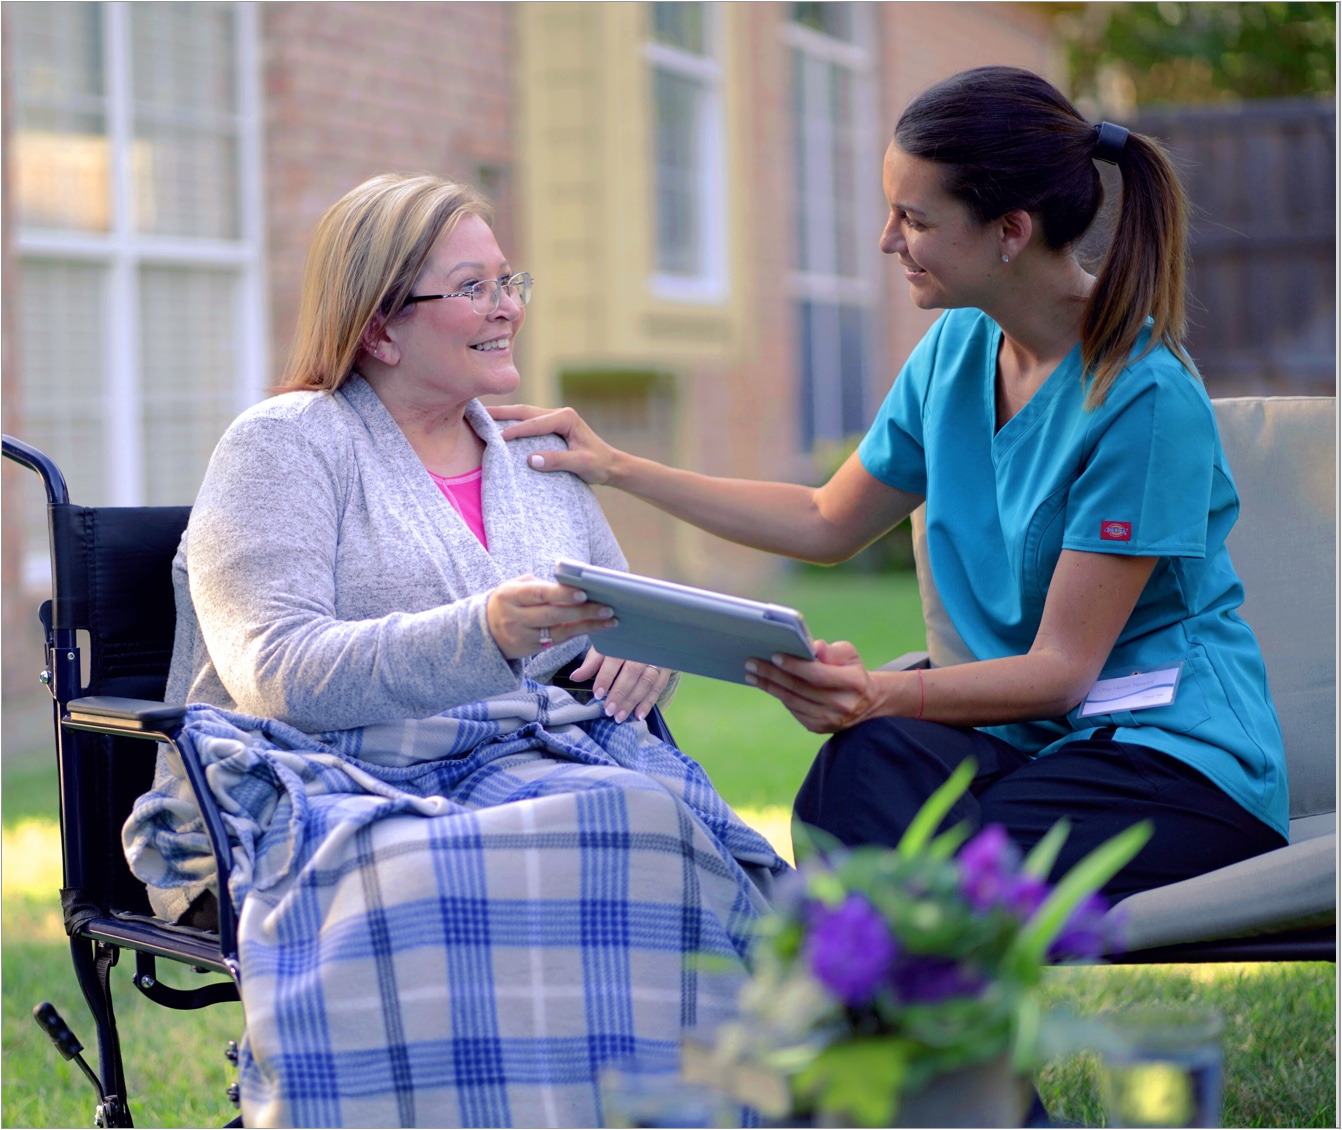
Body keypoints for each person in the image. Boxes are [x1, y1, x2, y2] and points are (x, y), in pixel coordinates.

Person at [490, 66, 1289, 900]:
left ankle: (874, 1018)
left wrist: (877, 691)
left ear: (1010, 231)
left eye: (914, 218)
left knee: (935, 871)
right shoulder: (955, 352)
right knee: (851, 782)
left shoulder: (1144, 397)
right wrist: (616, 466)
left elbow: (1062, 669)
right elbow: (823, 519)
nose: (886, 240)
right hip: (1030, 743)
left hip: (1169, 761)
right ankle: (873, 1017)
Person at [124, 172, 785, 1128]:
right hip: (328, 773)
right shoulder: (285, 445)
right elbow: (272, 670)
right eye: (472, 288)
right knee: (458, 864)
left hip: (541, 762)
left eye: (509, 281)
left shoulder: (535, 457)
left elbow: (622, 621)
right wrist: (485, 633)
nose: (508, 308)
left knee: (647, 820)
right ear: (380, 326)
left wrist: (648, 657)